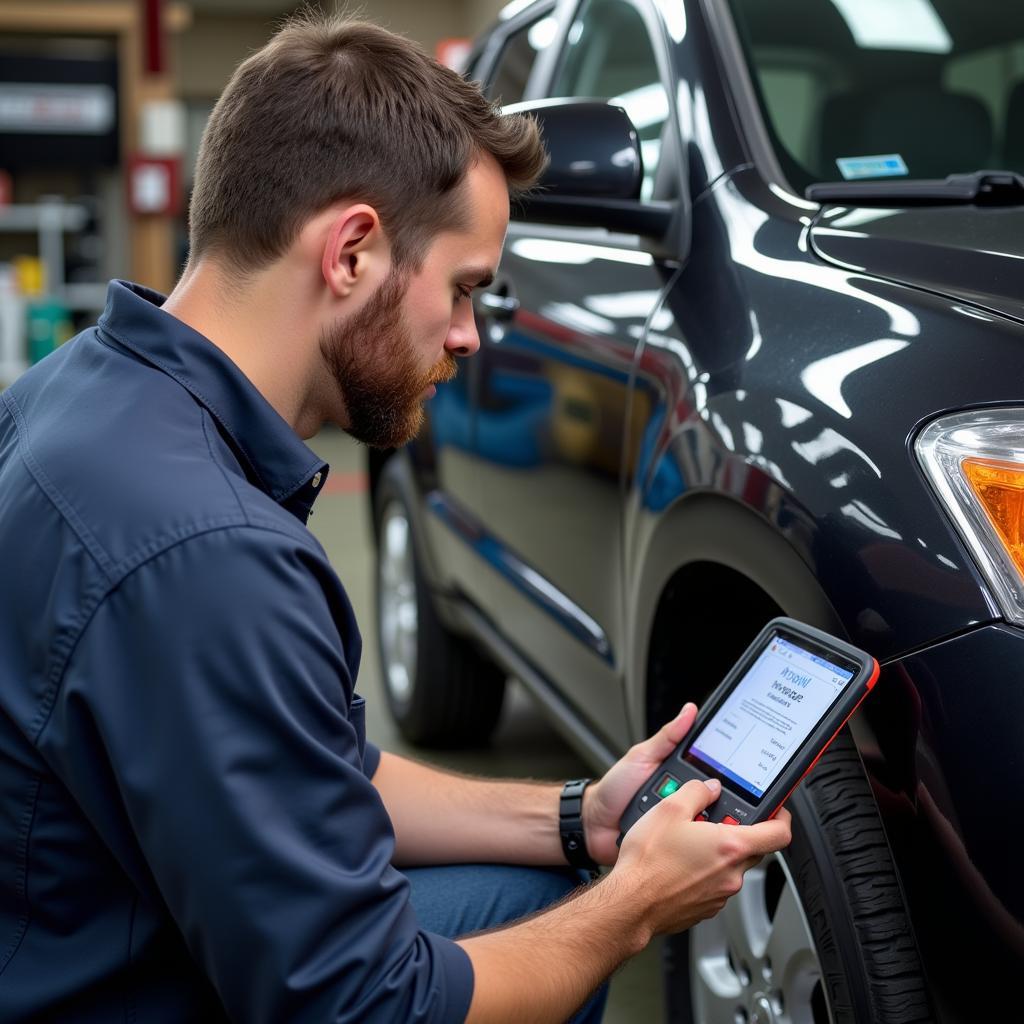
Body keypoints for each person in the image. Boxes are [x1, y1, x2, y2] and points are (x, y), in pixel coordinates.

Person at [0, 13, 791, 1023]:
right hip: (105, 989)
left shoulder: (76, 392)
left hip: (76, 926)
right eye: (464, 289)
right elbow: (363, 1005)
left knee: (535, 892)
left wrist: (576, 817)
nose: (469, 337)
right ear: (353, 252)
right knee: (564, 937)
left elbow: (317, 775)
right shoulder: (209, 552)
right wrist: (632, 904)